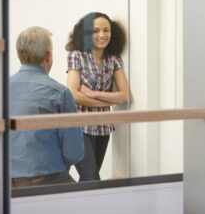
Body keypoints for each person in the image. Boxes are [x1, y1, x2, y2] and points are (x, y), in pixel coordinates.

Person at [10, 26, 84, 188]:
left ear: (18, 54)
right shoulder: (60, 93)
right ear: (48, 55)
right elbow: (74, 153)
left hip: (4, 183)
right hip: (47, 181)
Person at [66, 12, 129, 181]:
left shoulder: (114, 59)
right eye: (95, 31)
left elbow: (125, 96)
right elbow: (73, 95)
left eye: (106, 30)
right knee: (92, 177)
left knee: (89, 181)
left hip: (103, 127)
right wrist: (106, 101)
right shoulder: (77, 55)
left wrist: (94, 94)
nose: (102, 35)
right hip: (79, 128)